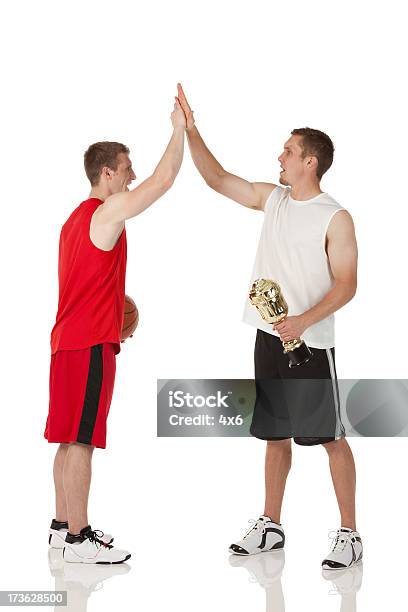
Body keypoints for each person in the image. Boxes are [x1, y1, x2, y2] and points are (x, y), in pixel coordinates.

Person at [176, 83, 362, 570]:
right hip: (267, 338)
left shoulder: (335, 217)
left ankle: (350, 534)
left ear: (310, 162)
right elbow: (217, 179)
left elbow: (347, 285)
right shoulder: (274, 200)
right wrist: (191, 131)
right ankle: (271, 525)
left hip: (310, 344)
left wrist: (303, 320)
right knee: (275, 436)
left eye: (289, 150)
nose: (280, 156)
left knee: (328, 438)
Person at [44, 97, 186, 564]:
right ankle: (82, 539)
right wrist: (179, 129)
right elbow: (163, 181)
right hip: (87, 346)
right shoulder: (104, 214)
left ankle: (62, 530)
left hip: (66, 343)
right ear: (106, 173)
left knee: (68, 439)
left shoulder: (70, 223)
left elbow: (85, 284)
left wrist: (109, 312)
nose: (132, 174)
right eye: (126, 168)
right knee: (82, 440)